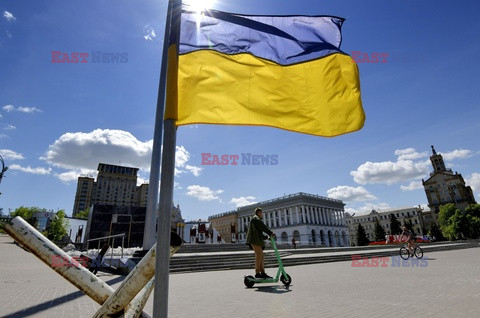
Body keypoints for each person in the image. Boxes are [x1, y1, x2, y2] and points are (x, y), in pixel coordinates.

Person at [246, 208, 275, 279]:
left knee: (261, 255)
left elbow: (258, 232)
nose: (262, 215)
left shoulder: (256, 220)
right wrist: (270, 233)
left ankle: (262, 273)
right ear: (259, 213)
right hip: (254, 240)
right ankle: (257, 273)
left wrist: (266, 237)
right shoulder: (256, 219)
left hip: (256, 240)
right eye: (261, 213)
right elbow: (262, 227)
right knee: (259, 255)